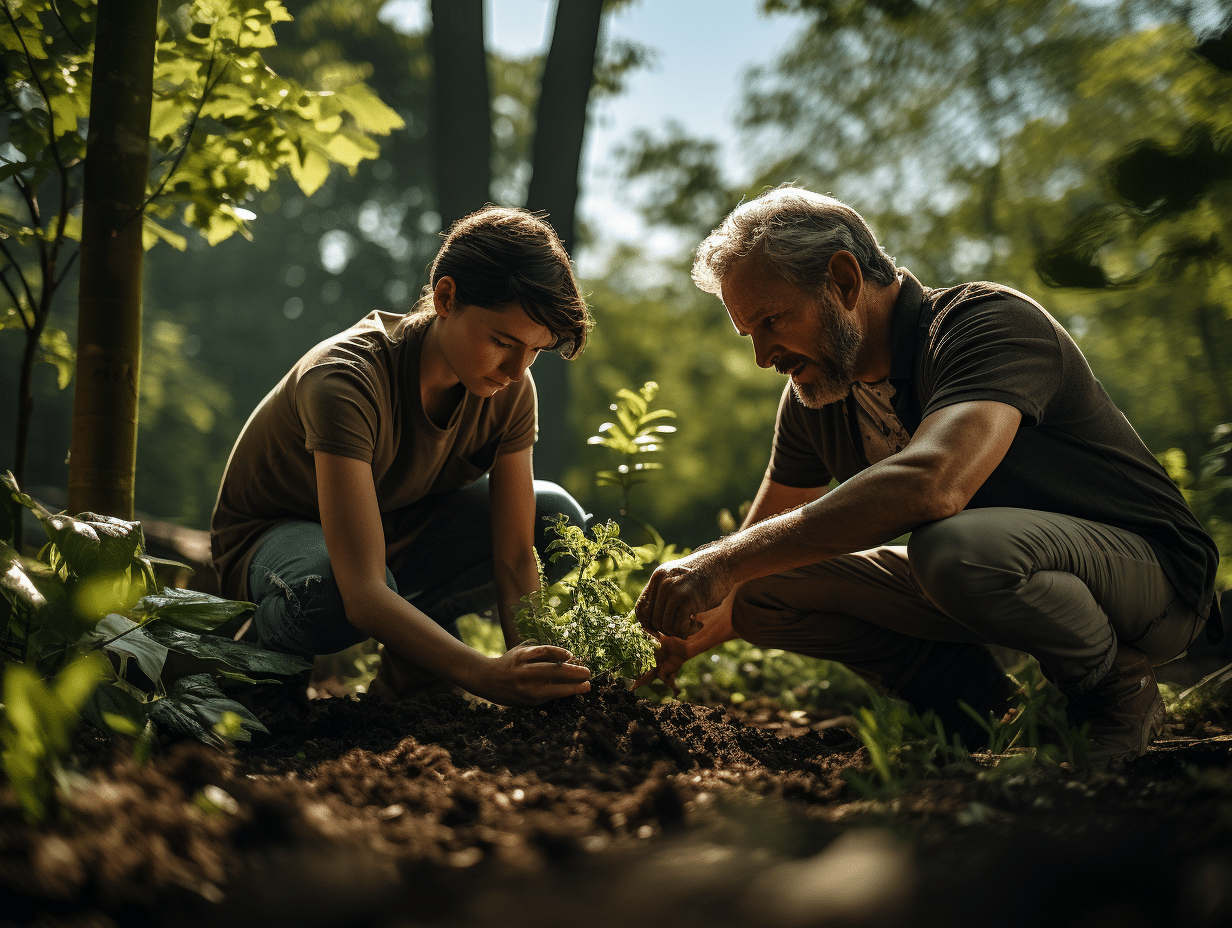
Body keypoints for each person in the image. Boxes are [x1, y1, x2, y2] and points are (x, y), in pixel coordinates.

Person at [635, 185, 1220, 766]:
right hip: (996, 570)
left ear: (843, 280)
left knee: (949, 546)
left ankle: (1115, 695)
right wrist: (669, 639)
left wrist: (720, 563)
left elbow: (934, 483)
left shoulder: (983, 324)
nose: (764, 356)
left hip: (1151, 581)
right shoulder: (816, 396)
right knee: (762, 586)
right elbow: (756, 546)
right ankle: (982, 716)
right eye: (750, 333)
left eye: (771, 320)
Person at [211, 206, 593, 707]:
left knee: (556, 519)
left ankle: (411, 678)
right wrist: (483, 675)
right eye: (503, 342)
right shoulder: (345, 380)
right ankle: (246, 675)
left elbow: (516, 557)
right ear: (446, 298)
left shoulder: (511, 391)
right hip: (281, 545)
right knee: (326, 593)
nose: (517, 371)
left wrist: (534, 674)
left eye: (535, 350)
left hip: (393, 534)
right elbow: (364, 590)